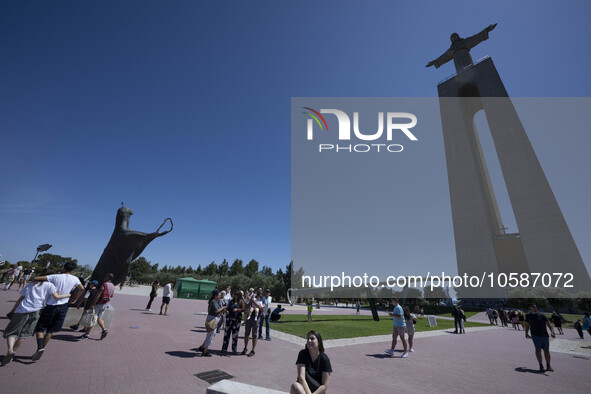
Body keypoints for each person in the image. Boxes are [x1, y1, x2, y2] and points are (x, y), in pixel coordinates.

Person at [2, 270, 70, 366]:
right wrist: (68, 295)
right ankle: (13, 353)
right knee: (24, 334)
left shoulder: (31, 284)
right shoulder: (50, 285)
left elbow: (20, 298)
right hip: (36, 311)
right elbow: (56, 297)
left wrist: (13, 310)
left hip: (22, 309)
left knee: (12, 331)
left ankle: (10, 350)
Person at [32, 262, 84, 361]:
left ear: (63, 267)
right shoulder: (75, 279)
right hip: (63, 306)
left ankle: (40, 347)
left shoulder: (55, 276)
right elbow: (81, 288)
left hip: (51, 305)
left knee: (41, 328)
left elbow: (36, 278)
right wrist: (74, 299)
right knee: (51, 330)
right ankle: (42, 347)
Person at [524, 303, 556, 373]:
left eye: (535, 307)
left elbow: (549, 324)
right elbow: (527, 325)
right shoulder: (528, 316)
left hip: (544, 335)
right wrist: (526, 333)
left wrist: (552, 332)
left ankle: (548, 366)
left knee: (546, 351)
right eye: (533, 307)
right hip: (535, 336)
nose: (535, 308)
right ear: (530, 308)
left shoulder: (542, 315)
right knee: (538, 350)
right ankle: (541, 365)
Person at [84, 273, 115, 340]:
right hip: (105, 304)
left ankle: (86, 334)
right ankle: (104, 330)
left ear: (107, 277)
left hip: (98, 304)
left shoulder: (104, 284)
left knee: (92, 318)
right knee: (99, 317)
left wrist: (93, 304)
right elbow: (112, 296)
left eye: (105, 276)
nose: (104, 277)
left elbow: (99, 294)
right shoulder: (112, 285)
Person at [198, 289, 226, 357]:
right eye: (218, 295)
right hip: (213, 319)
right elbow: (216, 311)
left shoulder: (214, 301)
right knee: (211, 335)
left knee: (210, 334)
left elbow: (216, 311)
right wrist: (223, 308)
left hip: (212, 318)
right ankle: (205, 351)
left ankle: (203, 347)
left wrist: (221, 312)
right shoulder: (213, 302)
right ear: (215, 296)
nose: (219, 296)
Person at [221, 290, 245, 355]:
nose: (235, 296)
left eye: (236, 294)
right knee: (226, 334)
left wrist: (237, 310)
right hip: (229, 319)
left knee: (235, 335)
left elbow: (243, 309)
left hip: (236, 320)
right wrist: (226, 311)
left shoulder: (241, 301)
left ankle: (234, 349)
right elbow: (228, 308)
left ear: (239, 295)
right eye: (234, 294)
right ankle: (224, 348)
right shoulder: (231, 301)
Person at [242, 289, 264, 357]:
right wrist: (250, 301)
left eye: (260, 292)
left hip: (256, 318)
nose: (258, 294)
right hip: (250, 316)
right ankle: (245, 347)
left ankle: (253, 350)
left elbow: (262, 309)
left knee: (254, 334)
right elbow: (248, 306)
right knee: (246, 333)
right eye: (258, 293)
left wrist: (255, 303)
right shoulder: (253, 298)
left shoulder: (263, 300)